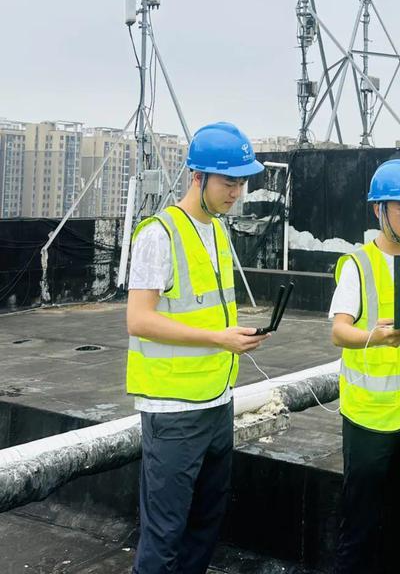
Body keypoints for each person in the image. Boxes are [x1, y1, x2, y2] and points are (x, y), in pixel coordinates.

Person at [126, 121, 268, 574]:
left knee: (205, 526)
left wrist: (235, 336)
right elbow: (139, 319)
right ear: (198, 176)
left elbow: (205, 311)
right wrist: (218, 339)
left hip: (217, 401)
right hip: (174, 411)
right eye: (228, 182)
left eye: (242, 183)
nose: (236, 193)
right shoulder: (159, 234)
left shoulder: (218, 231)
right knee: (165, 534)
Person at [330, 159, 400, 574]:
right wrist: (375, 337)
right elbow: (339, 331)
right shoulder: (358, 265)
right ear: (379, 210)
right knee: (359, 524)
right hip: (369, 420)